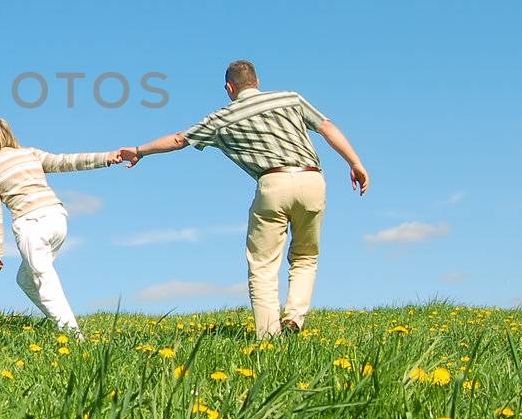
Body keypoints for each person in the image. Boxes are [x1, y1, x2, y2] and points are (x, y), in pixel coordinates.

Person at [116, 60, 369, 338]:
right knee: (305, 256)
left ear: (229, 87)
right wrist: (355, 162)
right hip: (312, 180)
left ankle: (268, 336)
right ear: (257, 81)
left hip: (272, 184)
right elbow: (327, 127)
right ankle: (294, 318)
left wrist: (140, 150)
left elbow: (179, 140)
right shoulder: (290, 98)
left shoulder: (220, 118)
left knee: (262, 266)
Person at [0, 117, 117, 335]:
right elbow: (66, 161)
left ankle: (73, 336)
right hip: (57, 218)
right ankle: (61, 321)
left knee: (44, 281)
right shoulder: (30, 153)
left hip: (31, 224)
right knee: (25, 279)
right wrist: (107, 158)